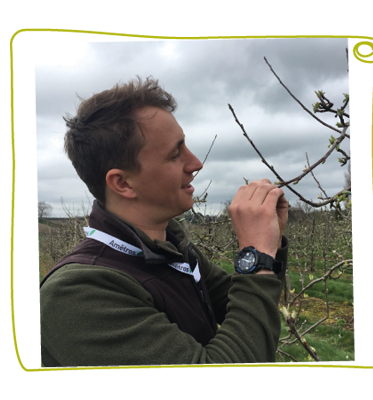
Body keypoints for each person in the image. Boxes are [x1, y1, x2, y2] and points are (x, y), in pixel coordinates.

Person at [39, 77, 289, 366]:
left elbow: (251, 305)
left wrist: (269, 244)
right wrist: (255, 255)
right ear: (123, 183)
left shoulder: (169, 249)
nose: (196, 164)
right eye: (175, 154)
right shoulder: (78, 295)